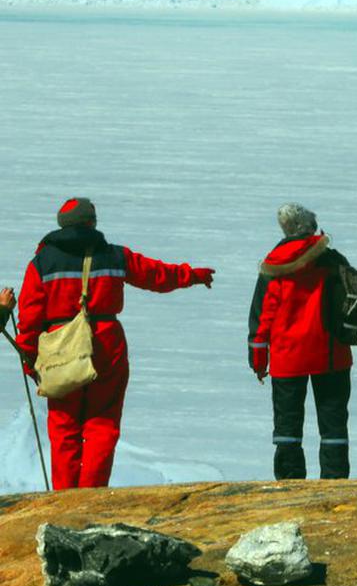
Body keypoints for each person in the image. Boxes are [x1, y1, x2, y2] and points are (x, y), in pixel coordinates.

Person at [15, 198, 215, 490]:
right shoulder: (114, 255)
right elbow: (156, 275)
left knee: (64, 425)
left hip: (60, 348)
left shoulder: (42, 263)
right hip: (107, 344)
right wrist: (192, 275)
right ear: (91, 222)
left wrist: (30, 360)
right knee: (102, 423)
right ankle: (91, 494)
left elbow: (29, 316)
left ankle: (64, 498)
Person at [248, 204, 354, 481]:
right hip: (331, 355)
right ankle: (335, 483)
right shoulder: (332, 260)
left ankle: (289, 484)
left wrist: (258, 361)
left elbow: (262, 316)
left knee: (287, 427)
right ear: (311, 227)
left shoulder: (274, 264)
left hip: (288, 357)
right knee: (333, 426)